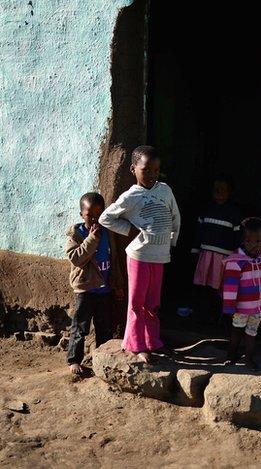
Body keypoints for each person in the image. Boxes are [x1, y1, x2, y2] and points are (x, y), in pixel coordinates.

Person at [99, 145, 181, 363]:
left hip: (160, 256)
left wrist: (171, 242)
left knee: (153, 302)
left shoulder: (165, 190)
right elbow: (105, 218)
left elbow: (176, 217)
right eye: (146, 170)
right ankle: (136, 345)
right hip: (139, 256)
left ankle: (152, 341)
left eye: (156, 170)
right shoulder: (130, 196)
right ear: (133, 169)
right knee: (137, 302)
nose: (152, 175)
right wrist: (130, 230)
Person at [64, 192, 115, 376]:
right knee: (80, 326)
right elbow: (76, 258)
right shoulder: (76, 235)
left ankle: (103, 358)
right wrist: (92, 239)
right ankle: (74, 360)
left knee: (104, 326)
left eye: (98, 215)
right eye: (89, 215)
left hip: (104, 288)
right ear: (81, 214)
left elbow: (113, 257)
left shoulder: (108, 232)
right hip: (85, 289)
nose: (94, 219)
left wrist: (117, 281)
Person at [191, 175, 243, 324]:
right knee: (204, 286)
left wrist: (236, 259)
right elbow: (198, 233)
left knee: (221, 289)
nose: (219, 193)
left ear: (230, 192)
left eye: (223, 190)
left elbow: (238, 238)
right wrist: (194, 251)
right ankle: (203, 316)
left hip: (224, 259)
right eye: (216, 190)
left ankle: (219, 318)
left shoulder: (234, 214)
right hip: (205, 256)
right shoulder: (206, 211)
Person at [222, 217, 261, 369]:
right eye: (249, 241)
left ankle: (248, 359)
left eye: (258, 241)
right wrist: (229, 308)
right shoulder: (235, 261)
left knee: (252, 333)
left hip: (258, 308)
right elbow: (229, 288)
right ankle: (231, 355)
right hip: (241, 308)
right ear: (242, 241)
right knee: (237, 331)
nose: (254, 245)